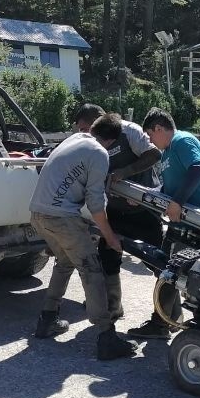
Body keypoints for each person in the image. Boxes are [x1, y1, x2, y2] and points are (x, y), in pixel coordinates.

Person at [28, 115, 137, 360]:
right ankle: (106, 336)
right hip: (60, 218)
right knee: (91, 269)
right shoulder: (100, 153)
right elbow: (96, 204)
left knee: (65, 262)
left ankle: (47, 319)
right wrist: (110, 237)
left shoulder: (75, 139)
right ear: (112, 140)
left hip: (38, 214)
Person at [126, 107, 200, 339]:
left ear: (158, 128)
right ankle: (165, 321)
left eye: (150, 136)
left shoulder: (182, 140)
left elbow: (197, 169)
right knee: (168, 270)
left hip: (199, 222)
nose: (150, 142)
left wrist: (177, 202)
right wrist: (143, 198)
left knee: (187, 273)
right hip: (183, 222)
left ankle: (169, 323)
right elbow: (167, 188)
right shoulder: (167, 153)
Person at [73, 104, 164, 323]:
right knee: (107, 258)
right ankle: (113, 308)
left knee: (160, 263)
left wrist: (125, 173)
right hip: (114, 209)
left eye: (87, 129)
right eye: (81, 130)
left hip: (143, 209)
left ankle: (165, 318)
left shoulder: (129, 131)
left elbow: (154, 154)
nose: (84, 135)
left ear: (100, 120)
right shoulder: (90, 142)